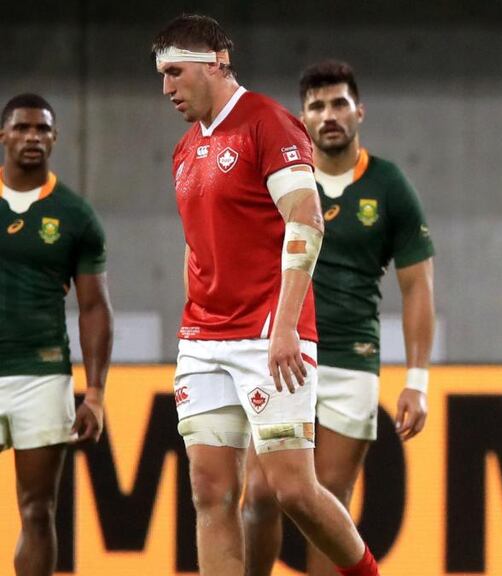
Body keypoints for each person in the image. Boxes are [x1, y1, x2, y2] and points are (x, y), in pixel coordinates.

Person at [153, 15, 377, 576]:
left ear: (215, 64)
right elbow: (196, 248)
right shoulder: (184, 149)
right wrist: (194, 327)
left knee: (293, 491)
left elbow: (307, 221)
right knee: (210, 493)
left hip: (268, 335)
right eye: (162, 75)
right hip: (203, 340)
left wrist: (283, 328)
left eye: (175, 72)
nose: (166, 89)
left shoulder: (268, 124)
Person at [243, 60, 435, 575]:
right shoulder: (279, 181)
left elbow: (417, 286)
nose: (328, 115)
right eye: (317, 106)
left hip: (352, 355)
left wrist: (417, 379)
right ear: (301, 118)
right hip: (283, 354)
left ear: (359, 112)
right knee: (260, 494)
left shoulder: (389, 185)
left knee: (323, 502)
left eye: (338, 104)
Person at [0, 93, 112, 575]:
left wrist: (97, 393)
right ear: (3, 135)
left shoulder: (75, 214)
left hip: (42, 374)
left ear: (55, 138)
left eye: (42, 129)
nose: (32, 137)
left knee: (38, 510)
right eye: (22, 128)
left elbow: (93, 308)